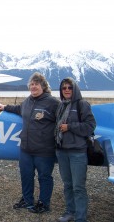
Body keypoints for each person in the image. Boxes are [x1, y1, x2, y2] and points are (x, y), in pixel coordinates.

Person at [0, 72, 59, 213]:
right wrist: (5, 107)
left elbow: (63, 118)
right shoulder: (28, 101)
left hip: (44, 150)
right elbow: (19, 109)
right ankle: (27, 200)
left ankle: (43, 203)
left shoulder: (53, 103)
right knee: (26, 175)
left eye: (36, 84)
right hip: (26, 149)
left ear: (43, 86)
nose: (33, 86)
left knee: (45, 177)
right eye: (31, 84)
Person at [55, 78, 96, 222]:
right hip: (62, 151)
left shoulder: (82, 104)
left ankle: (80, 217)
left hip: (77, 152)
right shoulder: (61, 106)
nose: (66, 90)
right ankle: (70, 212)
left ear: (75, 89)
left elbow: (90, 126)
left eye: (69, 87)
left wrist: (70, 127)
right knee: (67, 185)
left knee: (78, 187)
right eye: (63, 88)